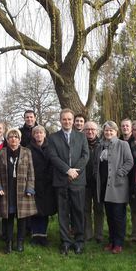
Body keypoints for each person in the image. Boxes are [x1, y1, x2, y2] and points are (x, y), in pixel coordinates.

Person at [47, 109, 89, 255]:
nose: (67, 122)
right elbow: (53, 157)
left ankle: (79, 241)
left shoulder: (81, 137)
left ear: (73, 120)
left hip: (78, 181)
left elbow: (85, 156)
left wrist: (75, 172)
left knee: (78, 211)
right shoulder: (53, 138)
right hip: (61, 180)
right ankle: (65, 241)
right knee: (63, 212)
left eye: (69, 119)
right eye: (64, 119)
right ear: (60, 120)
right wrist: (67, 170)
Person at [0, 128, 36, 254]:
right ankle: (8, 243)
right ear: (7, 139)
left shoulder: (26, 152)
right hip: (7, 190)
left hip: (22, 190)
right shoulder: (2, 153)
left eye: (16, 137)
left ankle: (20, 242)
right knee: (8, 218)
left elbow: (31, 172)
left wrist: (30, 188)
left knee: (22, 219)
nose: (13, 139)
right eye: (11, 137)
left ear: (20, 139)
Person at [94, 121, 133, 254]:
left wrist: (120, 173)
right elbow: (97, 164)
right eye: (106, 131)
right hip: (105, 187)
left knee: (118, 216)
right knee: (109, 216)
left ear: (116, 132)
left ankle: (118, 243)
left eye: (111, 130)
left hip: (118, 187)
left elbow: (129, 162)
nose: (108, 133)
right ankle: (111, 241)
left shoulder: (123, 144)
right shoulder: (100, 146)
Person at [28, 125, 56, 246]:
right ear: (33, 135)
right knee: (35, 211)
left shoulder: (51, 148)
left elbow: (54, 163)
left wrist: (50, 178)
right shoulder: (28, 149)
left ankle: (43, 236)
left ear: (45, 134)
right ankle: (35, 235)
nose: (39, 135)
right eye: (36, 133)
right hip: (34, 183)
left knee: (45, 211)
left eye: (41, 133)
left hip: (48, 184)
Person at [83, 121, 104, 243]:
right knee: (85, 209)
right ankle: (88, 234)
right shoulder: (81, 143)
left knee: (99, 209)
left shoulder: (102, 144)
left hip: (98, 183)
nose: (90, 132)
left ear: (97, 131)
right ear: (84, 131)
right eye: (87, 129)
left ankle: (99, 235)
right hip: (84, 182)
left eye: (92, 129)